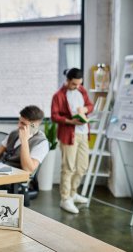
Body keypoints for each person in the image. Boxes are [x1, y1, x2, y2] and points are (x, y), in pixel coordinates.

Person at [51, 68, 94, 214]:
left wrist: (84, 110)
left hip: (84, 134)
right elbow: (54, 116)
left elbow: (90, 106)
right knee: (68, 167)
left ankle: (73, 193)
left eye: (79, 84)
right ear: (68, 81)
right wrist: (70, 121)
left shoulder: (82, 91)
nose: (77, 87)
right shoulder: (59, 95)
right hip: (69, 134)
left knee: (82, 166)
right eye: (74, 84)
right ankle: (65, 199)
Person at [0, 105, 49, 174]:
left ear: (34, 126)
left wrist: (24, 141)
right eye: (19, 121)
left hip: (16, 178)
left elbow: (28, 169)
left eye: (23, 123)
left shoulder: (41, 142)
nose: (18, 125)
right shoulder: (14, 133)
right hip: (0, 170)